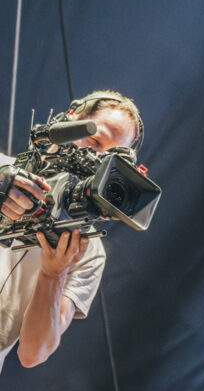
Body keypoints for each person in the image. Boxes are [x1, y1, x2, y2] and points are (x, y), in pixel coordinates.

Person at [0, 90, 142, 373]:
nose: (96, 159)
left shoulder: (86, 249)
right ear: (69, 121)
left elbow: (33, 353)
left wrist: (53, 274)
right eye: (94, 140)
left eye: (110, 157)